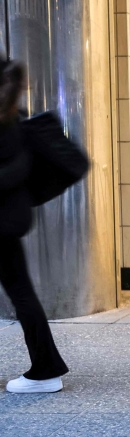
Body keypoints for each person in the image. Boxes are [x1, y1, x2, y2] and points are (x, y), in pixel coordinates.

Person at [0, 60, 70, 394]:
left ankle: (46, 370)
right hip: (8, 223)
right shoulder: (10, 116)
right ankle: (46, 368)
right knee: (22, 293)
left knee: (22, 294)